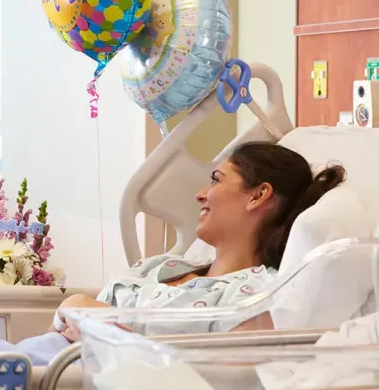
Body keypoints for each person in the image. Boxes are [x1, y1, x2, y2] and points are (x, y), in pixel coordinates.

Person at [52, 141, 347, 340]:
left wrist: (88, 316)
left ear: (258, 196)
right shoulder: (164, 266)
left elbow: (202, 375)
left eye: (217, 180)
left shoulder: (256, 298)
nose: (201, 193)